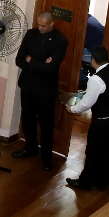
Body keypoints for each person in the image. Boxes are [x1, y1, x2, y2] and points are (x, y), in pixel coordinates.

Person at [66, 46, 109, 191]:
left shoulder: (96, 79)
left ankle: (85, 182)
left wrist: (72, 109)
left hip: (104, 122)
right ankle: (101, 182)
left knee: (93, 151)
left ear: (93, 60)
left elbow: (87, 103)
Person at [14, 11, 68, 169]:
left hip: (45, 90)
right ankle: (30, 148)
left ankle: (46, 158)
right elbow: (19, 59)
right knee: (28, 119)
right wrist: (41, 63)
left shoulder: (60, 40)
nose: (40, 28)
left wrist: (32, 61)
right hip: (28, 85)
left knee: (46, 124)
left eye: (43, 26)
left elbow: (51, 69)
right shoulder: (31, 34)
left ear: (52, 24)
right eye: (38, 24)